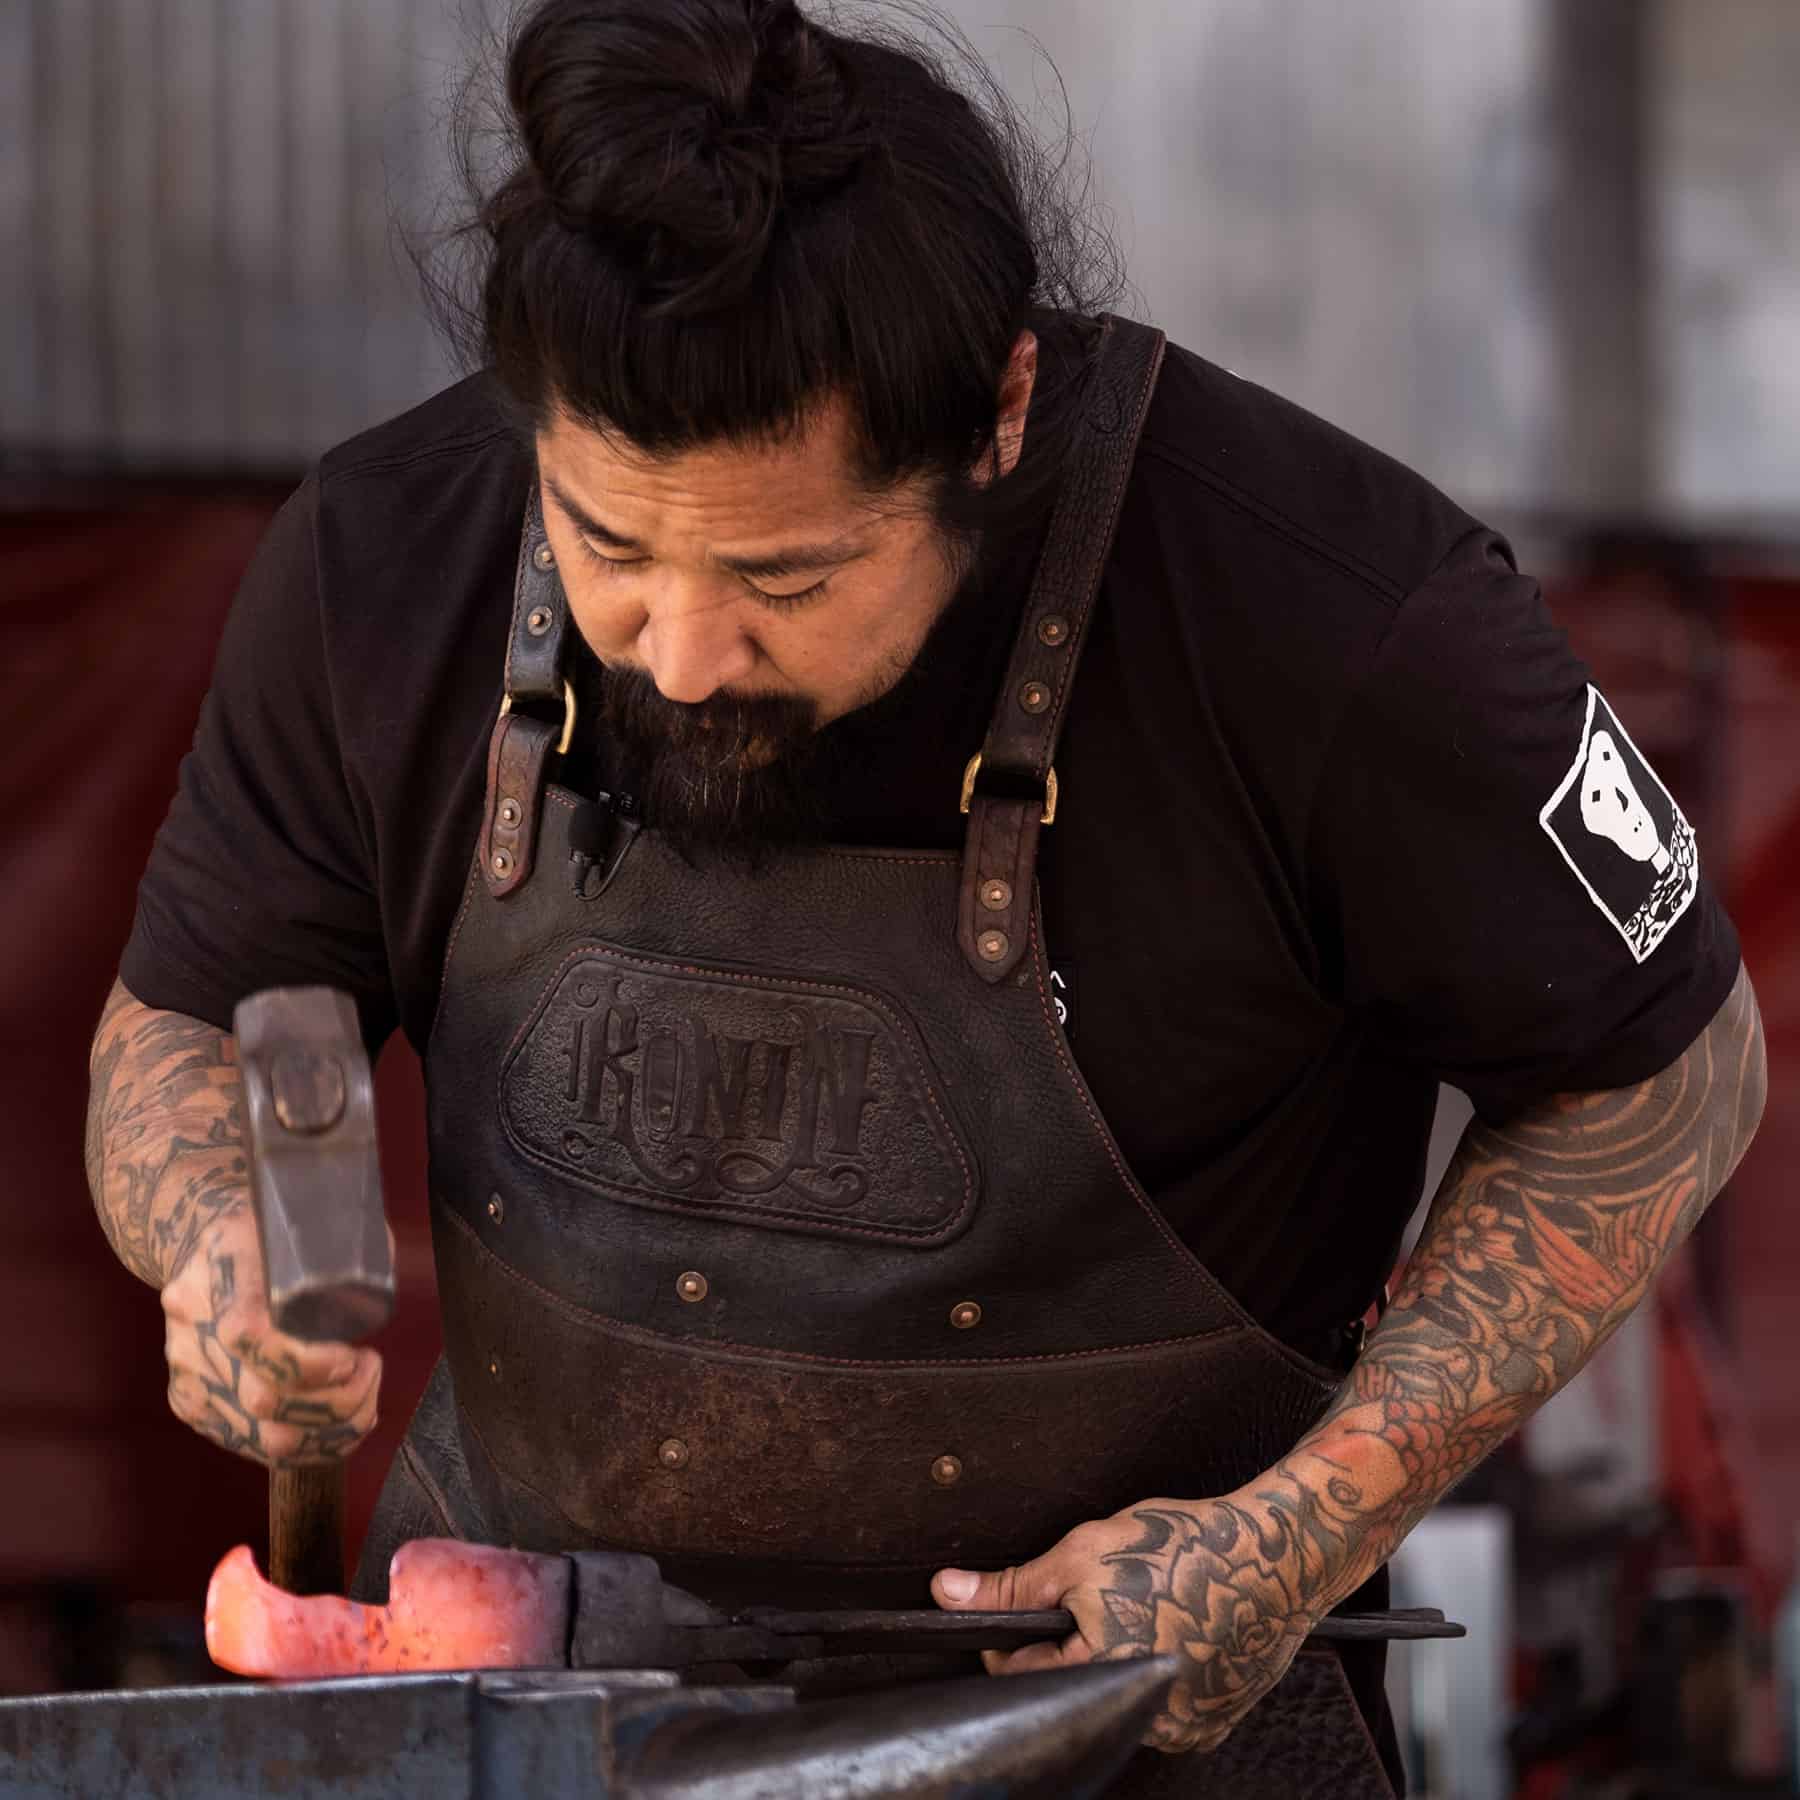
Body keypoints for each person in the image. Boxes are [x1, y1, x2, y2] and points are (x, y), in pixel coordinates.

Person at [86, 2, 1763, 1793]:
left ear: (999, 415)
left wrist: (1299, 1532)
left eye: (787, 576)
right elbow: (187, 1013)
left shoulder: (1332, 617)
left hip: (1136, 1736)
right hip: (528, 1721)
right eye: (608, 547)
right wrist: (209, 1236)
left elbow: (1667, 1069)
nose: (683, 650)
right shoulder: (381, 553)